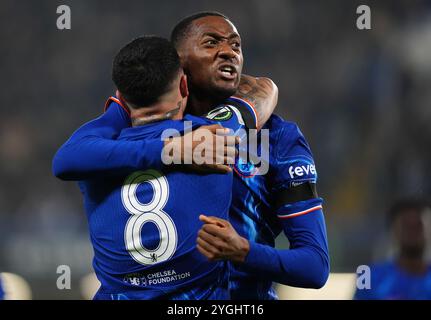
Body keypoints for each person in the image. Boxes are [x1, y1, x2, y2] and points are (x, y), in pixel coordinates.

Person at [53, 11, 329, 300]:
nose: (228, 51)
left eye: (236, 45)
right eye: (211, 43)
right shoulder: (127, 125)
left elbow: (315, 265)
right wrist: (175, 149)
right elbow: (69, 157)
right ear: (179, 68)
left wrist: (245, 252)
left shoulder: (275, 137)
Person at [75, 35, 266, 300]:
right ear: (184, 86)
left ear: (120, 98)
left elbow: (65, 159)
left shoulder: (92, 160)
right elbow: (264, 90)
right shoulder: (213, 137)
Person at [355, 199, 431, 300]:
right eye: (406, 226)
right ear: (393, 230)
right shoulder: (370, 277)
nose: (412, 233)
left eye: (418, 226)